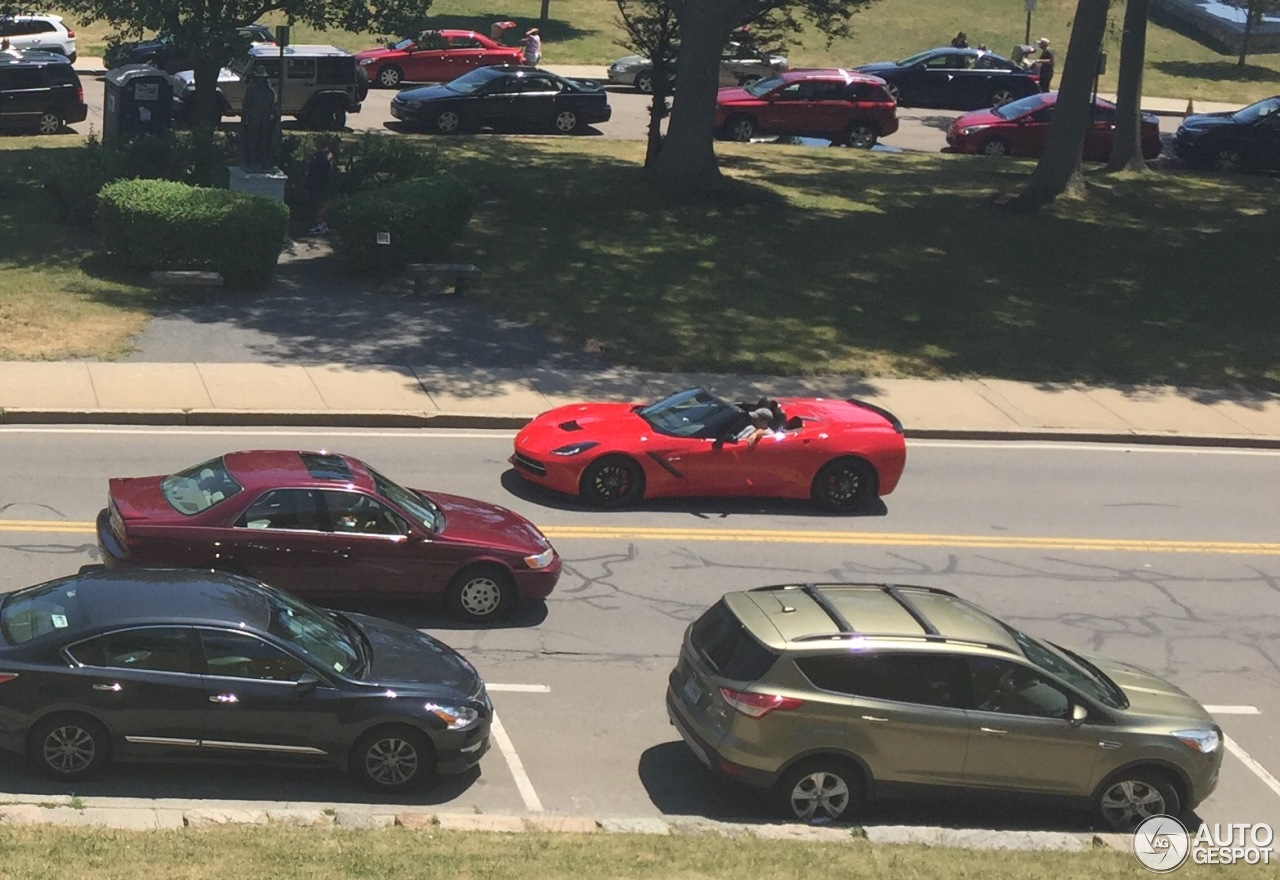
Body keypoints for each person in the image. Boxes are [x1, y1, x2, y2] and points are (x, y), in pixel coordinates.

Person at [306, 139, 336, 236]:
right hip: (325, 183)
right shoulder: (329, 155)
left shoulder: (322, 157)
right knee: (322, 203)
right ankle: (322, 224)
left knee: (319, 205)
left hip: (319, 184)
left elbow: (317, 170)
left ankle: (320, 225)